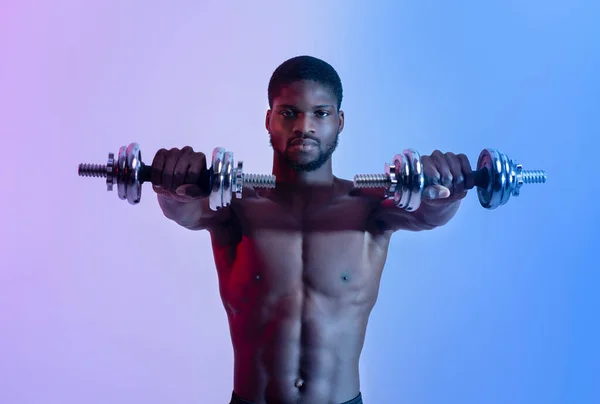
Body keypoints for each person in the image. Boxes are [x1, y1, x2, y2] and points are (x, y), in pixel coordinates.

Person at [151, 55, 475, 404]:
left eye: (321, 113)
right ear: (268, 119)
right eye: (289, 112)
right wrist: (172, 185)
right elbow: (184, 210)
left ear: (340, 122)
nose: (304, 126)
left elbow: (429, 214)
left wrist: (447, 188)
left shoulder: (368, 208)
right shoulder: (236, 206)